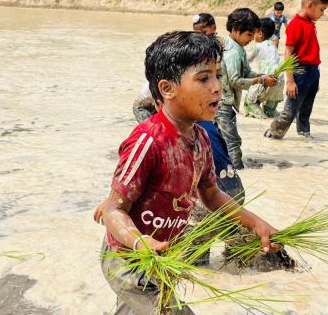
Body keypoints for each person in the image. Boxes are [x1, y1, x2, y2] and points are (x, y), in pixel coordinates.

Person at [95, 31, 280, 314]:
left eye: (218, 75)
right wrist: (140, 242)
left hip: (165, 255)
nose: (217, 86)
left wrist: (256, 223)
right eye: (204, 78)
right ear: (167, 89)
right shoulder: (148, 142)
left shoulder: (201, 139)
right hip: (130, 259)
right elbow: (113, 210)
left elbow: (212, 195)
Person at [264, 0, 328, 140]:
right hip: (300, 72)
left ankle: (303, 135)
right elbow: (288, 53)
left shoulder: (309, 23)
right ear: (310, 5)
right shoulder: (295, 24)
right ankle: (273, 134)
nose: (323, 14)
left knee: (306, 108)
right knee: (290, 110)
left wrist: (315, 76)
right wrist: (290, 81)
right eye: (322, 9)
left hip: (313, 71)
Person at [217, 8, 277, 169]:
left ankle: (223, 168)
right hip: (223, 103)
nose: (251, 39)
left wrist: (262, 77)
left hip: (222, 102)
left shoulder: (237, 48)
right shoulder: (233, 53)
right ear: (236, 30)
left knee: (221, 139)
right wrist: (260, 79)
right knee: (232, 141)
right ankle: (238, 171)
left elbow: (246, 72)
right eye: (249, 35)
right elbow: (236, 81)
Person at [244, 18, 283, 119]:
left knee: (250, 101)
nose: (252, 35)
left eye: (254, 32)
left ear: (260, 33)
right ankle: (272, 114)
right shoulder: (273, 45)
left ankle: (262, 118)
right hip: (280, 80)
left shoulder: (259, 46)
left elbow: (248, 59)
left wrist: (240, 51)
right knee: (269, 110)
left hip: (268, 79)